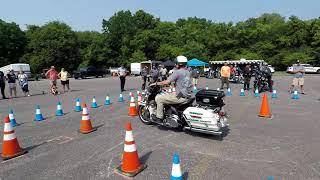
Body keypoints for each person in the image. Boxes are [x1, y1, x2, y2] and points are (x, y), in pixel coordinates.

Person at [150, 55, 192, 123]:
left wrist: (156, 83)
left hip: (180, 97)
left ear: (179, 64)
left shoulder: (177, 72)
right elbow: (182, 83)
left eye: (176, 63)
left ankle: (159, 117)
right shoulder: (188, 72)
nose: (175, 64)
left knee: (159, 98)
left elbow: (166, 82)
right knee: (169, 94)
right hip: (187, 95)